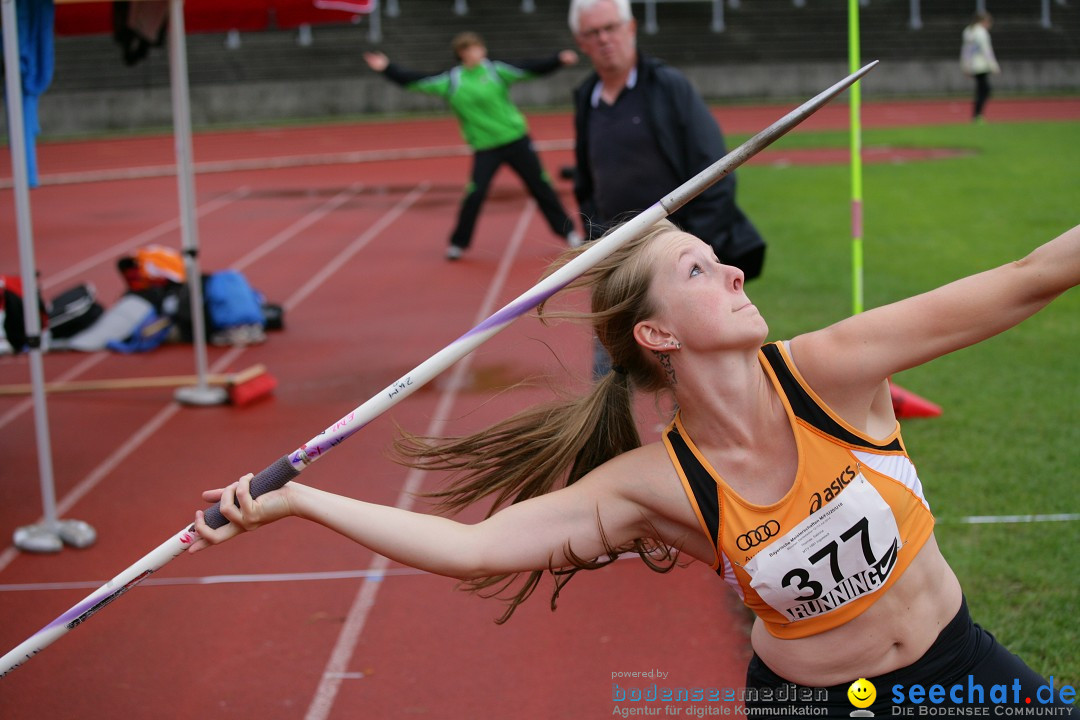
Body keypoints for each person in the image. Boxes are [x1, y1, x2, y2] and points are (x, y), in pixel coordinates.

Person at [191, 216, 1079, 715]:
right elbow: (473, 549)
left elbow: (1031, 273)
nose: (733, 270)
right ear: (657, 334)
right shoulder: (653, 486)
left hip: (960, 668)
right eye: (699, 269)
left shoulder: (833, 370)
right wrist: (300, 502)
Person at [567, 0, 765, 280]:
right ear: (581, 42)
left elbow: (717, 172)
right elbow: (586, 185)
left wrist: (689, 253)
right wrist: (597, 240)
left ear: (631, 27)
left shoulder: (669, 87)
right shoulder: (587, 98)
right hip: (622, 264)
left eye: (610, 27)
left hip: (681, 262)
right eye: (592, 32)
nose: (603, 39)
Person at [363, 33, 584, 261]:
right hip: (486, 149)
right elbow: (414, 81)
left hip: (517, 140)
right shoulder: (452, 81)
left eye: (481, 47)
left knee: (542, 187)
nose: (481, 52)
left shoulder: (495, 71)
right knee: (474, 195)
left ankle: (568, 232)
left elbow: (530, 68)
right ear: (462, 53)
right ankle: (458, 243)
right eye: (474, 49)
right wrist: (386, 68)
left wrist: (558, 59)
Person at [960, 11, 1001, 124]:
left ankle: (977, 115)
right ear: (984, 21)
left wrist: (965, 65)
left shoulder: (968, 31)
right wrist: (994, 66)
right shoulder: (982, 32)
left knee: (981, 89)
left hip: (972, 65)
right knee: (985, 90)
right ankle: (978, 115)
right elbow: (987, 51)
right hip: (981, 65)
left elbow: (966, 51)